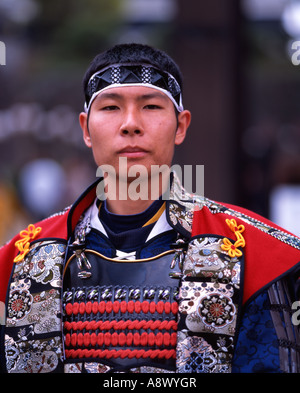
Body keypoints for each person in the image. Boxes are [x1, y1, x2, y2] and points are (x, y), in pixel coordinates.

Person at [1, 43, 300, 374]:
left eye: (151, 106)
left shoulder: (256, 254)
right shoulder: (22, 258)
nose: (131, 124)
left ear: (181, 126)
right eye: (112, 107)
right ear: (85, 129)